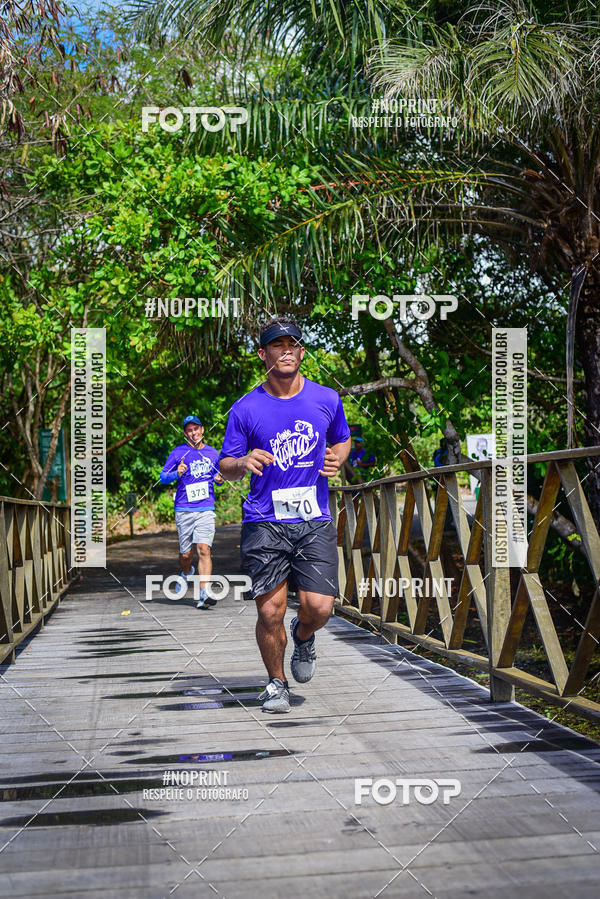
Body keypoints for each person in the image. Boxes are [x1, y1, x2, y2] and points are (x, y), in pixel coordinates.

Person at [219, 316, 351, 713]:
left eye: (293, 343)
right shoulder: (245, 408)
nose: (287, 350)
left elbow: (342, 440)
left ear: (302, 352)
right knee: (269, 609)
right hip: (264, 519)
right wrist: (242, 462)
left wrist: (336, 460)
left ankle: (305, 635)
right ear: (264, 354)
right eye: (278, 345)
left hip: (313, 518)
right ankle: (277, 684)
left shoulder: (326, 398)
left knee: (319, 607)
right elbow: (223, 465)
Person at [160, 415, 224, 609]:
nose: (193, 432)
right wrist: (176, 473)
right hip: (184, 509)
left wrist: (219, 478)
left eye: (196, 429)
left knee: (204, 549)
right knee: (186, 555)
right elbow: (163, 477)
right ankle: (187, 571)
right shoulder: (178, 452)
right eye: (189, 430)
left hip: (205, 508)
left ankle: (204, 594)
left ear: (202, 430)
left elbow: (217, 475)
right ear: (185, 433)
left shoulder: (213, 453)